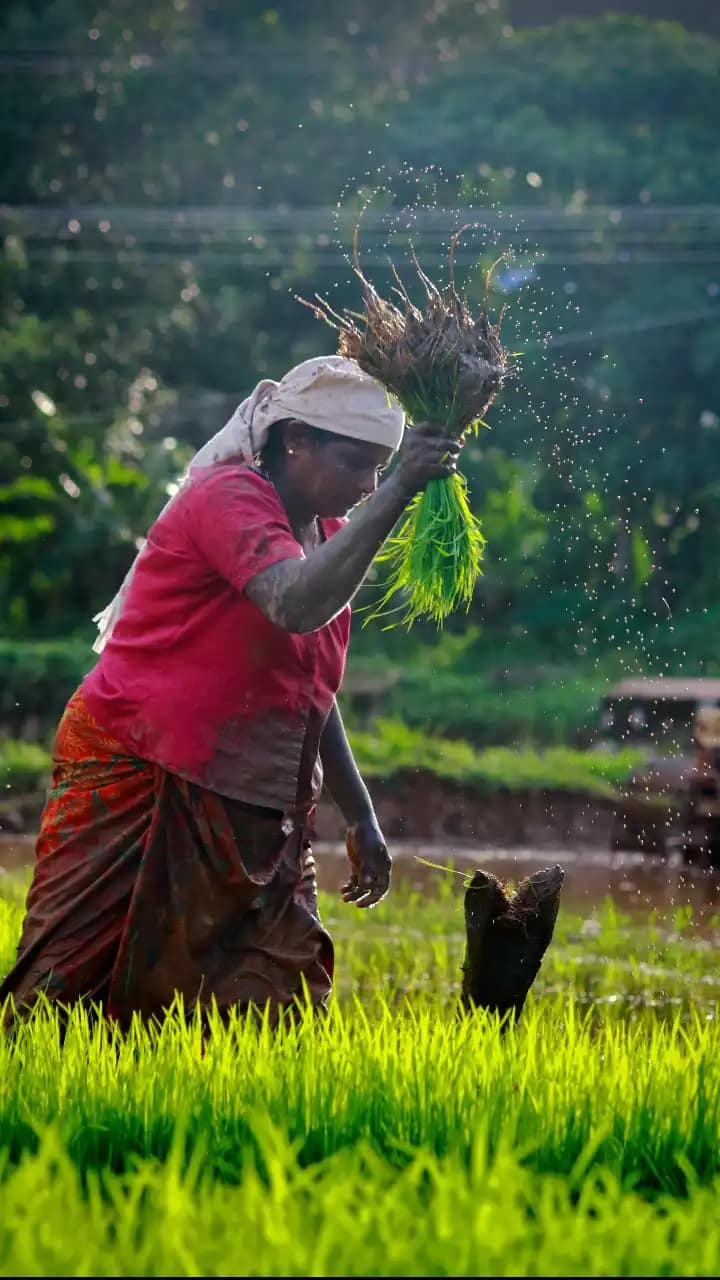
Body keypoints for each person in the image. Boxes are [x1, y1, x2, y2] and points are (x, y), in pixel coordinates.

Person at [0, 355, 462, 1028]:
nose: (367, 485)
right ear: (295, 440)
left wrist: (358, 812)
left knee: (280, 990)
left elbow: (309, 686)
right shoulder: (227, 499)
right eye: (355, 464)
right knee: (69, 981)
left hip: (257, 794)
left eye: (379, 469)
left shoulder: (326, 533)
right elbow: (294, 605)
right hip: (142, 762)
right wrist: (402, 490)